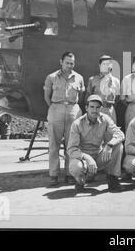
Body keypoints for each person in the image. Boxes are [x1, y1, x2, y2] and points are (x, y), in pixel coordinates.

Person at [67, 95, 125, 193]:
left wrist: (110, 145)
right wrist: (87, 157)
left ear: (101, 108)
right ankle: (80, 181)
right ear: (86, 108)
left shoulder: (105, 119)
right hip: (83, 159)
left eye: (98, 107)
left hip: (99, 156)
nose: (95, 110)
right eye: (92, 107)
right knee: (76, 167)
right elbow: (71, 149)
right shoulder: (77, 124)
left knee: (118, 146)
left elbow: (120, 134)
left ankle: (112, 178)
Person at [43, 52, 85, 186]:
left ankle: (70, 173)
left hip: (73, 111)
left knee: (71, 145)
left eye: (72, 63)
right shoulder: (52, 77)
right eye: (67, 62)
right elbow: (46, 96)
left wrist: (73, 109)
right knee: (54, 145)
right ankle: (54, 175)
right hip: (56, 109)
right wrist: (55, 108)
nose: (69, 65)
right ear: (61, 62)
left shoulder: (79, 78)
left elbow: (82, 97)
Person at [86, 55, 120, 123]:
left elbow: (117, 98)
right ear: (99, 65)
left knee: (111, 132)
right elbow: (87, 97)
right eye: (104, 64)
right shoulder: (93, 80)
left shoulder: (116, 81)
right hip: (97, 110)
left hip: (110, 111)